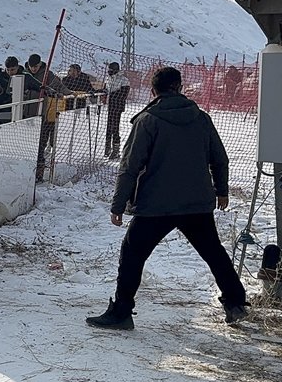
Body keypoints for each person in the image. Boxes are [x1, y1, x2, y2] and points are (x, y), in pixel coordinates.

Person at [87, 66, 249, 330]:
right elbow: (220, 158)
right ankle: (235, 303)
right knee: (213, 252)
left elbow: (129, 166)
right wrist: (221, 190)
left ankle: (121, 313)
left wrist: (118, 205)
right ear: (180, 87)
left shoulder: (147, 121)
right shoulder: (201, 118)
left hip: (155, 205)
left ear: (153, 90)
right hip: (196, 203)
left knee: (132, 254)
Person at [25, 55, 72, 182]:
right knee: (26, 146)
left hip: (42, 115)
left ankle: (39, 174)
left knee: (40, 145)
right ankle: (26, 172)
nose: (33, 69)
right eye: (31, 66)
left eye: (35, 66)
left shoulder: (47, 75)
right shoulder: (24, 74)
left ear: (40, 65)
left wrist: (70, 94)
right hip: (24, 116)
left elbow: (59, 86)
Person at [103, 62, 131, 159]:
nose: (109, 72)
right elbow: (105, 90)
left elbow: (123, 94)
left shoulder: (124, 80)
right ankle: (107, 148)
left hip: (117, 107)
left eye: (111, 70)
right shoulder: (109, 79)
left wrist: (111, 94)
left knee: (115, 127)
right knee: (108, 127)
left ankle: (116, 149)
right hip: (110, 106)